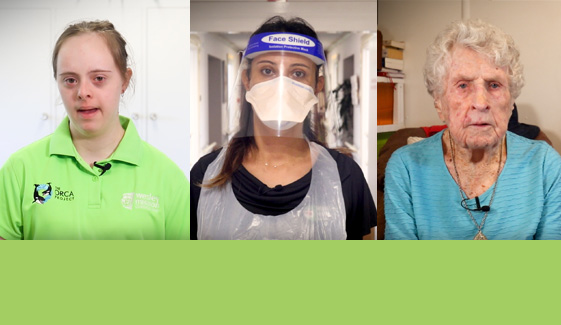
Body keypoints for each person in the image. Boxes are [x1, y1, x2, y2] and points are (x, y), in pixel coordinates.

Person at [190, 16, 377, 240]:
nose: (282, 86)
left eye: (298, 73)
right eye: (267, 71)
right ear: (247, 79)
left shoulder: (345, 176)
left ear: (317, 86)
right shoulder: (207, 174)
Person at [0, 20, 190, 239]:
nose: (83, 92)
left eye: (99, 78)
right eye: (70, 80)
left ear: (124, 81)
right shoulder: (20, 170)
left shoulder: (169, 179)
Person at [384, 19, 561, 240]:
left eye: (494, 85)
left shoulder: (544, 163)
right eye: (463, 85)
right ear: (439, 103)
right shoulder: (405, 167)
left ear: (511, 103)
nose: (481, 102)